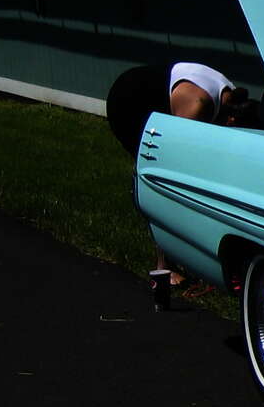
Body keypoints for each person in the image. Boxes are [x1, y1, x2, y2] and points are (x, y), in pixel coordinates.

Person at [105, 61, 253, 307]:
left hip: (160, 98)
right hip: (130, 102)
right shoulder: (197, 106)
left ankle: (181, 257)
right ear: (230, 119)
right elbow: (175, 161)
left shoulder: (231, 96)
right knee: (161, 185)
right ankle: (165, 266)